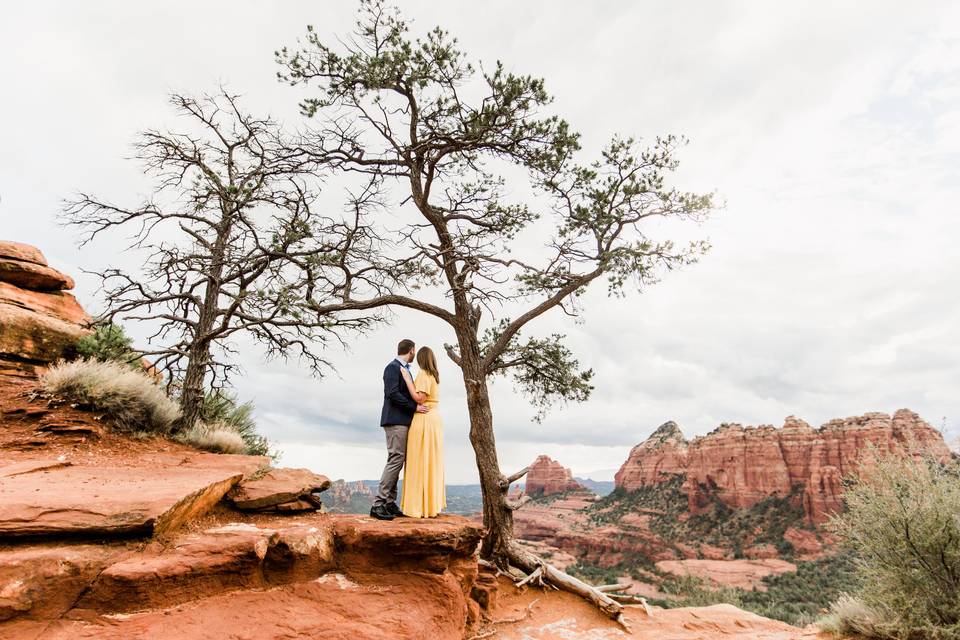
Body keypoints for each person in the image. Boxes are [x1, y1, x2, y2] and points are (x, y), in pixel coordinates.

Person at [371, 339, 429, 521]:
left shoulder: (403, 369)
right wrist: (414, 407)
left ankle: (389, 503)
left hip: (401, 421)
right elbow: (392, 393)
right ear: (411, 350)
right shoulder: (392, 367)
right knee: (396, 458)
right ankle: (378, 504)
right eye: (414, 351)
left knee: (398, 459)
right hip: (395, 421)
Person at [398, 346, 446, 518]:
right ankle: (429, 505)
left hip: (424, 419)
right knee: (430, 460)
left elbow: (420, 399)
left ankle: (417, 507)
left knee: (418, 459)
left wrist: (408, 381)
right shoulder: (434, 375)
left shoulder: (425, 374)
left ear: (421, 359)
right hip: (433, 419)